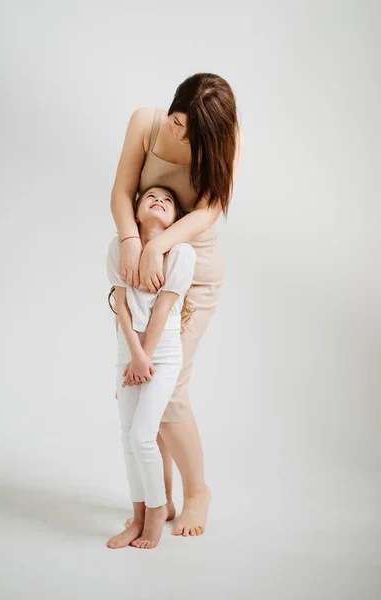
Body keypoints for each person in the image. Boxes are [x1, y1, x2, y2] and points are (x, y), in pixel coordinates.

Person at [109, 73, 244, 537]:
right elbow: (122, 192)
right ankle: (155, 500)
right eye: (176, 121)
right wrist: (132, 240)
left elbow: (207, 212)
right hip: (144, 270)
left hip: (191, 273)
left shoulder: (224, 144)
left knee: (169, 385)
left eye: (187, 132)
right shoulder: (145, 124)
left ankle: (198, 490)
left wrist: (159, 243)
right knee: (144, 384)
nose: (176, 133)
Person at [106, 185, 197, 549]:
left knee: (145, 435)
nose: (160, 201)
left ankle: (158, 511)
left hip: (163, 352)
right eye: (151, 198)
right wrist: (134, 356)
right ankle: (138, 514)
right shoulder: (118, 248)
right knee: (128, 437)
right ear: (137, 212)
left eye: (169, 201)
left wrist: (146, 356)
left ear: (175, 218)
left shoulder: (182, 253)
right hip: (129, 353)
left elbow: (161, 310)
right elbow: (122, 308)